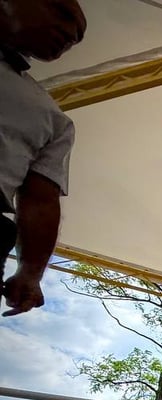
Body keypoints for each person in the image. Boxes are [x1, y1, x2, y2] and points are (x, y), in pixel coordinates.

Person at [0, 0, 87, 316]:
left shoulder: (52, 117)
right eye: (62, 14)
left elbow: (40, 200)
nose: (70, 35)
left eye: (77, 36)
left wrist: (30, 273)